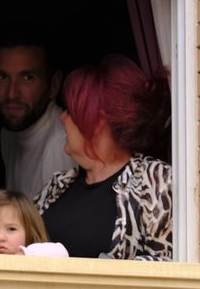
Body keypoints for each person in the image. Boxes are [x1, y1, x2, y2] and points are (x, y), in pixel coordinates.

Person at [36, 55, 172, 260]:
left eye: (70, 111)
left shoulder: (154, 181)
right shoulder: (57, 186)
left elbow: (170, 267)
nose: (62, 117)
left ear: (97, 120)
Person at [0, 39, 75, 197]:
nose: (11, 93)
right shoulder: (9, 134)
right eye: (2, 77)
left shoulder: (61, 146)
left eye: (27, 78)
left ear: (54, 85)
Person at [0, 189, 64, 257]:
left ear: (29, 234)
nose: (0, 237)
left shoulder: (34, 257)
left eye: (11, 229)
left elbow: (61, 252)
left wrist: (24, 255)